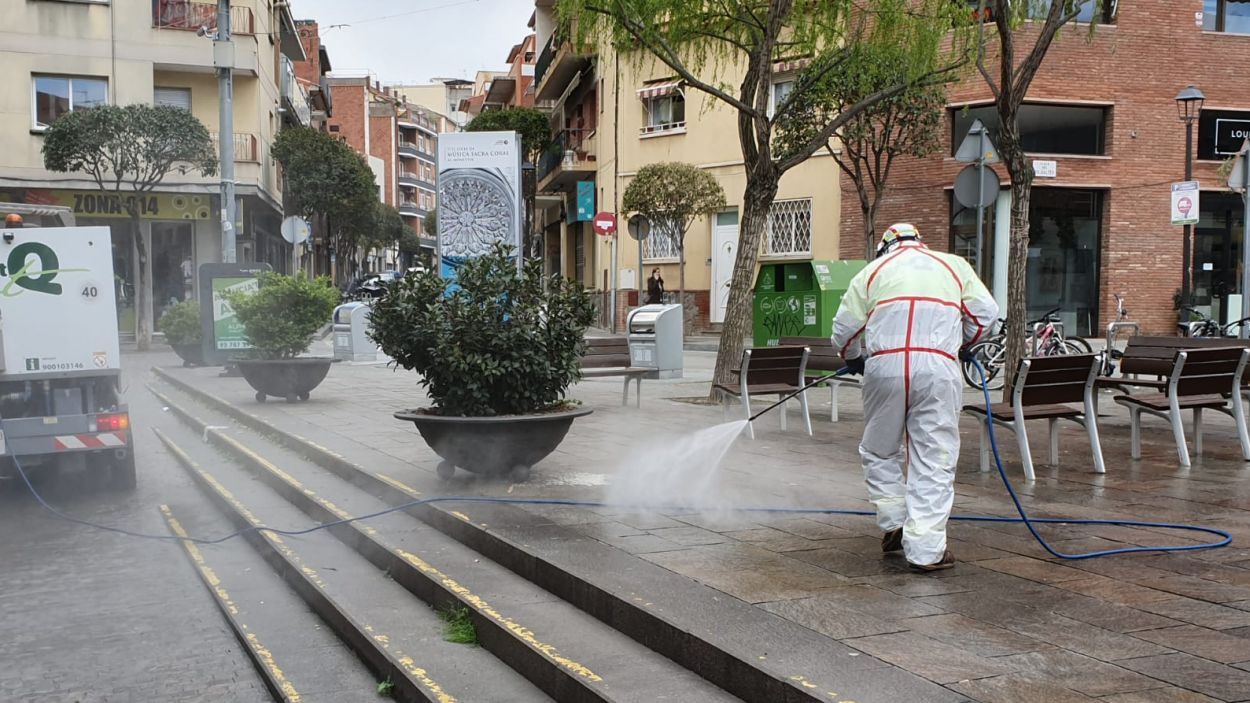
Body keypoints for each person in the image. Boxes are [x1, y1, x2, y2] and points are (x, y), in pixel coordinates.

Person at [830, 223, 998, 572]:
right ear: (921, 242)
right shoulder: (954, 265)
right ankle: (926, 551)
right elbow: (986, 314)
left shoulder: (872, 272)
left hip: (885, 367)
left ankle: (894, 519)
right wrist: (960, 343)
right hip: (937, 368)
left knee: (879, 448)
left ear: (885, 247)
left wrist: (854, 357)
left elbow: (844, 330)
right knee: (934, 455)